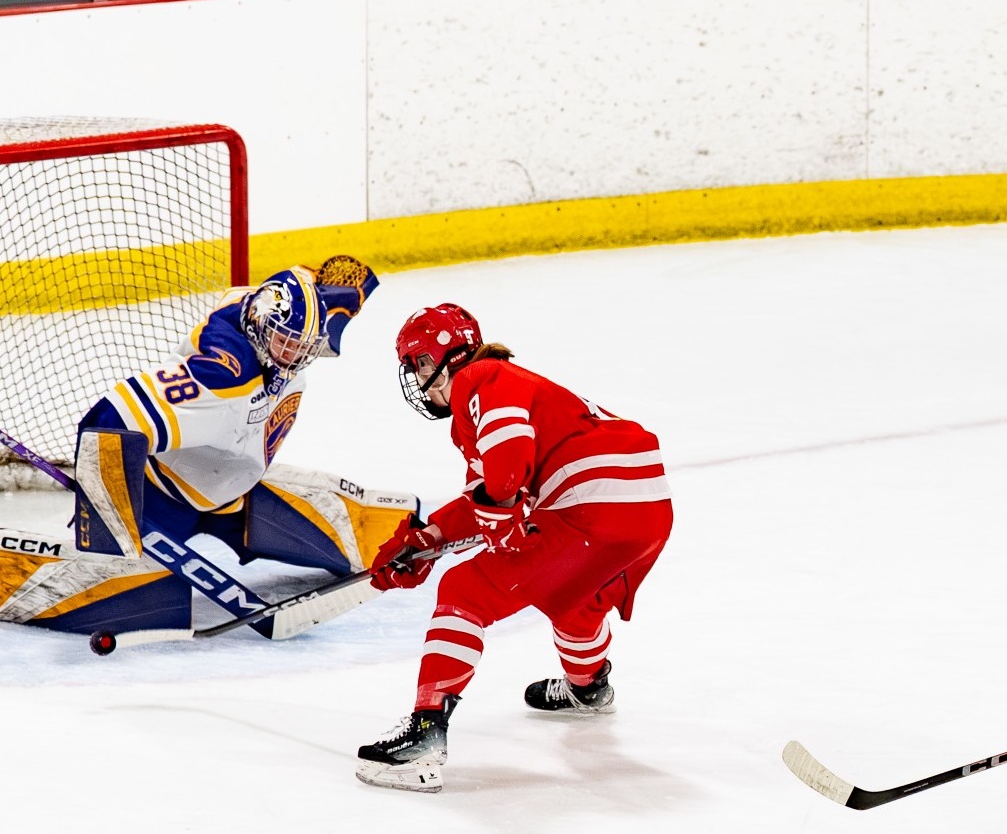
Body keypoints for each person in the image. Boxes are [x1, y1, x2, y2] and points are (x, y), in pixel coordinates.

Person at [355, 302, 673, 793]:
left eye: (420, 363)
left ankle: (423, 739)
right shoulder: (498, 390)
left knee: (465, 588)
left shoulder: (480, 379)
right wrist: (426, 540)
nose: (419, 381)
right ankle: (589, 688)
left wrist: (498, 512)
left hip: (590, 503)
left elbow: (504, 475)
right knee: (572, 597)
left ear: (450, 356)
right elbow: (487, 493)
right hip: (646, 506)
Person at [71, 256, 387, 629]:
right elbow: (108, 420)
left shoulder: (280, 312)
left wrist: (351, 292)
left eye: (304, 346)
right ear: (258, 327)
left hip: (237, 494)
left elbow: (306, 285)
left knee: (380, 537)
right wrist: (107, 522)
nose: (294, 358)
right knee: (139, 605)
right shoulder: (223, 377)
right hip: (159, 502)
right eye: (286, 343)